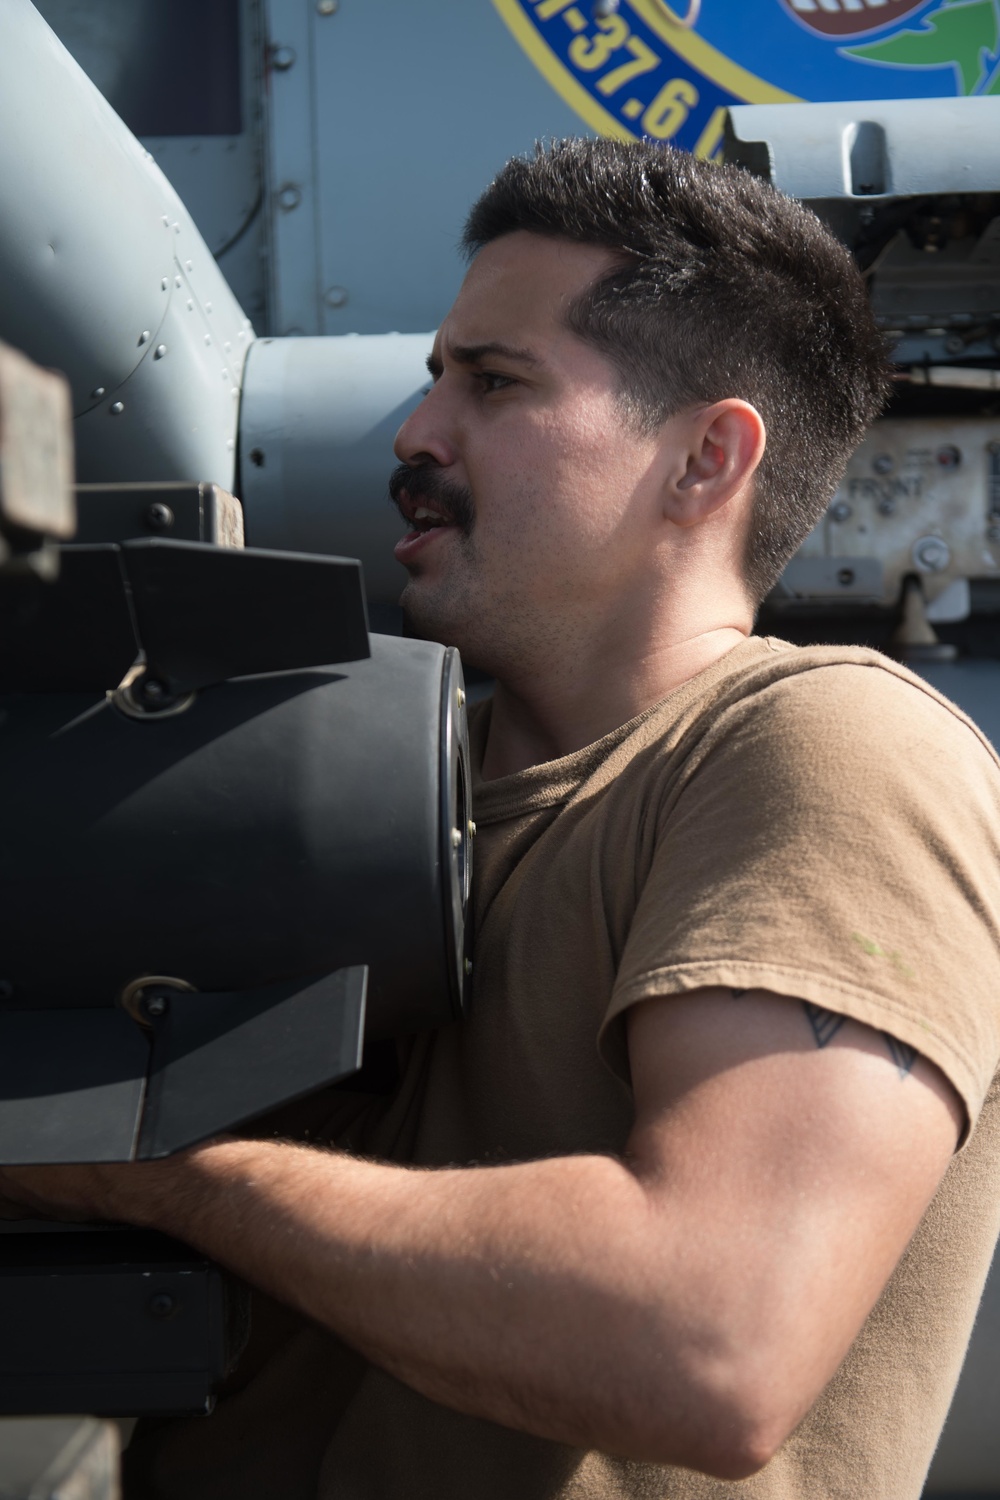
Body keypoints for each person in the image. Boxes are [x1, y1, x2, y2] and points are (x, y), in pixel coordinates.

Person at [4, 138, 1000, 1500]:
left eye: (494, 383)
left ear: (707, 458)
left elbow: (703, 1341)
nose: (417, 436)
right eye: (434, 377)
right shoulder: (362, 787)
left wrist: (152, 1168)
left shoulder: (829, 754)